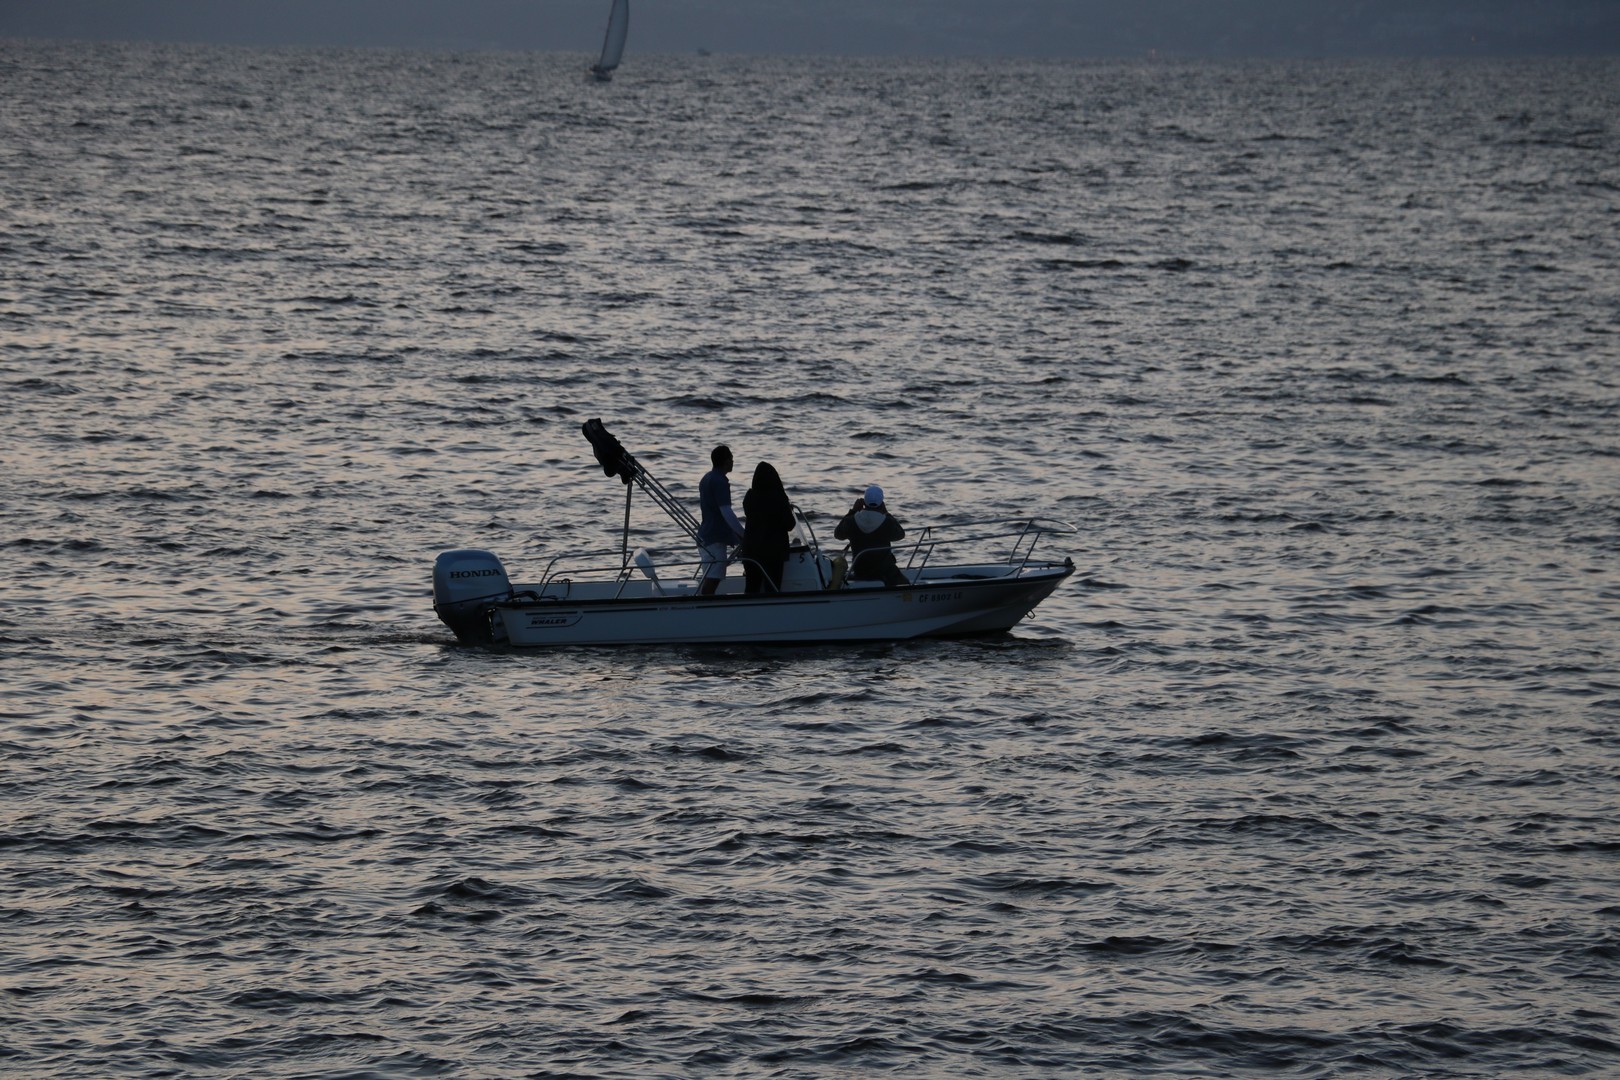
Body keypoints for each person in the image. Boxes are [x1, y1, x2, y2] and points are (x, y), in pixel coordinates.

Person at [834, 484, 907, 588]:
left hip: (860, 571)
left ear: (864, 502)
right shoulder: (887, 522)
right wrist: (886, 512)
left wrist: (853, 511)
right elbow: (900, 534)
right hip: (884, 572)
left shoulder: (851, 521)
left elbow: (838, 534)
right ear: (882, 503)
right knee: (906, 584)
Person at [739, 462, 796, 594]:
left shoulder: (749, 497)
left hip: (751, 550)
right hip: (772, 551)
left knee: (751, 588)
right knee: (772, 589)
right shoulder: (778, 497)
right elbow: (790, 524)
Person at [696, 444, 744, 595]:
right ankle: (705, 607)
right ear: (726, 461)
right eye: (731, 458)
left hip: (706, 534)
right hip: (715, 537)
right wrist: (743, 534)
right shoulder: (720, 481)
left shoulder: (707, 478)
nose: (733, 461)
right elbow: (726, 512)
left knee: (711, 575)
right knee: (713, 578)